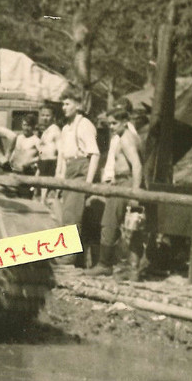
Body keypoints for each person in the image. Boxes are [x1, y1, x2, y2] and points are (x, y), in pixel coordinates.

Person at [95, 101, 145, 279]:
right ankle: (133, 270)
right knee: (134, 226)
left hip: (126, 183)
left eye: (114, 123)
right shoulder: (132, 136)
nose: (112, 127)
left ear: (124, 121)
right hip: (127, 182)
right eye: (109, 124)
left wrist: (134, 193)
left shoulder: (126, 139)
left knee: (109, 221)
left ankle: (104, 264)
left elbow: (137, 166)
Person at [54, 91, 101, 262]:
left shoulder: (84, 125)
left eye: (67, 104)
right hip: (69, 170)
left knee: (72, 215)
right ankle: (75, 256)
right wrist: (60, 177)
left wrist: (88, 183)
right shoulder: (66, 128)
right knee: (65, 213)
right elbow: (64, 155)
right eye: (63, 104)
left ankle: (69, 256)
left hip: (81, 170)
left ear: (78, 105)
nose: (63, 108)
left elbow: (94, 154)